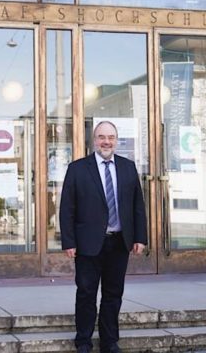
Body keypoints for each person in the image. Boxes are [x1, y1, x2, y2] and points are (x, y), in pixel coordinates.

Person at [60, 121, 148, 353]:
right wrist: (68, 241)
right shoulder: (78, 168)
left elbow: (138, 205)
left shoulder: (128, 167)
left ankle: (110, 342)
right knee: (86, 293)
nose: (106, 141)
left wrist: (140, 237)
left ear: (116, 140)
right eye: (101, 137)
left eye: (110, 137)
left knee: (113, 294)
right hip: (88, 244)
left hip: (119, 242)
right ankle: (84, 341)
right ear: (94, 140)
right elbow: (67, 207)